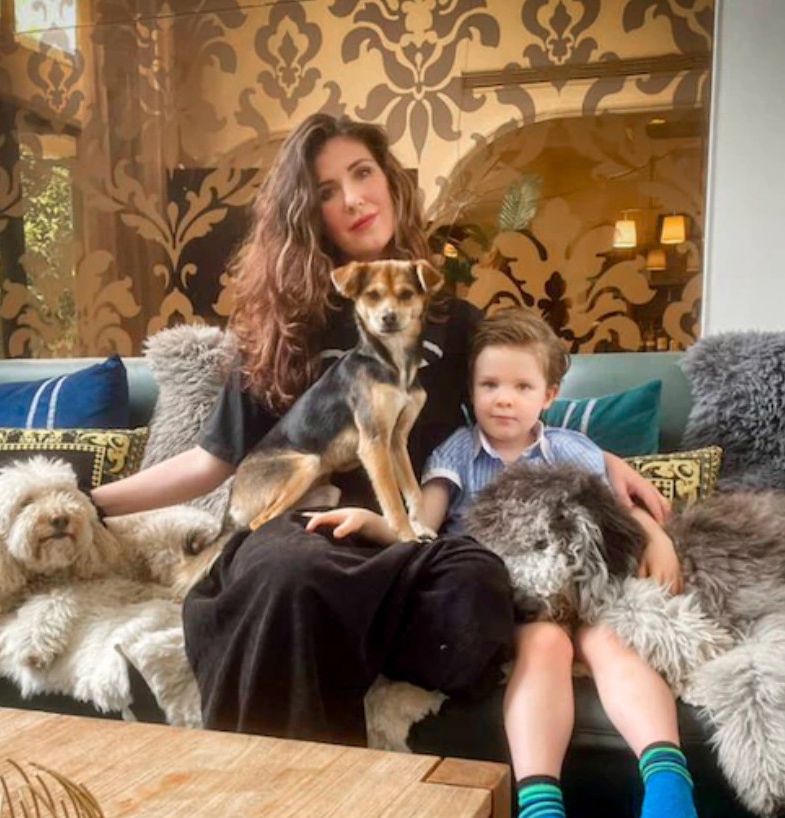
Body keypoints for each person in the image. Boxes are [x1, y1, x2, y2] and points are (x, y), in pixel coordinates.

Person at [94, 112, 669, 749]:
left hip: (409, 540)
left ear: (391, 182)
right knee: (293, 575)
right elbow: (211, 460)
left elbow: (522, 419)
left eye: (362, 173)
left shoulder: (453, 321)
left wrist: (613, 470)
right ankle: (294, 774)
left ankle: (343, 630)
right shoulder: (282, 330)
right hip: (303, 530)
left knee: (478, 587)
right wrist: (91, 502)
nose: (353, 198)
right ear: (306, 215)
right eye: (326, 190)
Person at [306, 309, 698, 818]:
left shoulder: (573, 449)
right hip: (513, 592)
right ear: (471, 390)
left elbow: (619, 514)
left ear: (550, 395)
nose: (504, 400)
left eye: (521, 386)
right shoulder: (459, 452)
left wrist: (658, 538)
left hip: (582, 584)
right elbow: (422, 527)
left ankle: (667, 779)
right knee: (546, 644)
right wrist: (372, 523)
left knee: (610, 640)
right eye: (490, 385)